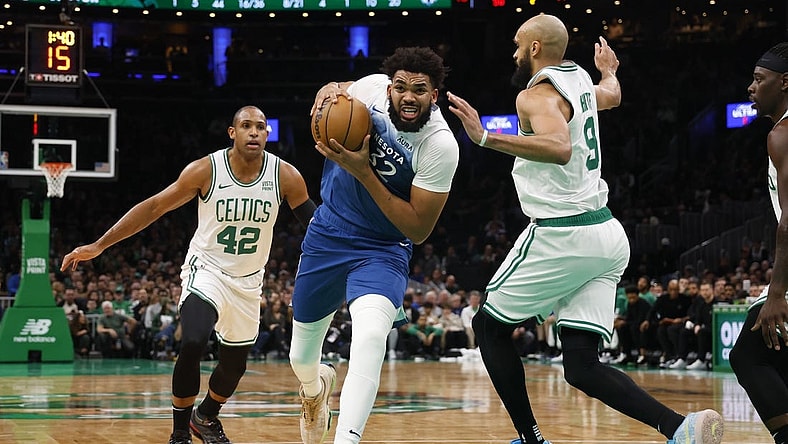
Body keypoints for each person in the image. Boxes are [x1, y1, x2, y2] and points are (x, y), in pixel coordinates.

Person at [446, 14, 723, 444]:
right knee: (581, 366)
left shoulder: (534, 95)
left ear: (534, 48)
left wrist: (484, 137)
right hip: (606, 234)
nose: (514, 53)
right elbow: (612, 95)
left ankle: (531, 439)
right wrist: (609, 72)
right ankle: (680, 428)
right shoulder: (578, 82)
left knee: (487, 327)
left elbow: (559, 148)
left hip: (563, 233)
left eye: (518, 44)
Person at [60, 105, 315, 444]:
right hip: (206, 270)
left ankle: (205, 417)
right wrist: (100, 245)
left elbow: (316, 227)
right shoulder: (206, 170)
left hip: (249, 280)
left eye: (260, 126)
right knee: (193, 340)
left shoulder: (286, 176)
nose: (254, 132)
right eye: (246, 125)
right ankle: (179, 432)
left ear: (267, 134)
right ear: (232, 132)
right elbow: (155, 206)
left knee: (234, 368)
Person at [289, 46, 458, 444]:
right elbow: (338, 89)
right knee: (300, 358)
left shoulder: (440, 145)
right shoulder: (370, 90)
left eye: (419, 89)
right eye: (400, 87)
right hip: (328, 232)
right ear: (389, 88)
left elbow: (418, 228)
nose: (408, 97)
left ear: (434, 95)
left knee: (368, 337)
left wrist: (364, 172)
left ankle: (347, 440)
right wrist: (328, 91)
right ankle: (315, 389)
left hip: (382, 248)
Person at [729, 42, 788, 444]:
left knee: (749, 355)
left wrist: (777, 293)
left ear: (784, 83)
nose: (751, 87)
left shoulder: (782, 135)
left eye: (758, 79)